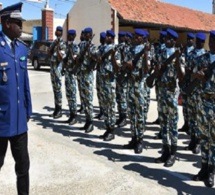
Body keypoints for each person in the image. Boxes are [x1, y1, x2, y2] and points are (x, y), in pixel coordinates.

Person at [0, 2, 32, 195]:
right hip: (1, 120)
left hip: (20, 120)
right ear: (5, 24)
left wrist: (28, 109)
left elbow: (25, 82)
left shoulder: (21, 48)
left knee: (23, 167)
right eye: (17, 23)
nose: (21, 27)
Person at [154, 28, 185, 167]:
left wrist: (177, 59)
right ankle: (165, 150)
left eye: (170, 39)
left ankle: (173, 152)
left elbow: (181, 76)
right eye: (166, 38)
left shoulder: (179, 55)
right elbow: (155, 69)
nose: (167, 40)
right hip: (161, 91)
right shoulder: (160, 52)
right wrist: (157, 68)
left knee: (172, 123)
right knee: (163, 122)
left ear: (175, 41)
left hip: (172, 93)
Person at [192, 30, 215, 188]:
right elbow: (191, 74)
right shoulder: (202, 58)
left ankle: (212, 171)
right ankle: (204, 168)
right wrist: (197, 75)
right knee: (204, 138)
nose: (212, 43)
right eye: (211, 40)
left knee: (213, 140)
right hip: (202, 103)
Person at [123, 29, 149, 154]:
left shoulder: (147, 51)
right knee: (131, 113)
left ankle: (140, 140)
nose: (135, 38)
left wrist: (145, 55)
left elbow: (146, 69)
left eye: (138, 36)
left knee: (139, 114)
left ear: (143, 38)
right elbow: (124, 65)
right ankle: (133, 138)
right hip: (130, 84)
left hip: (140, 86)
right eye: (134, 36)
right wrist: (127, 66)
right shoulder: (129, 49)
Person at [183, 32, 206, 154]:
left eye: (200, 42)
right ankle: (192, 140)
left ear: (203, 43)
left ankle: (198, 143)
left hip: (201, 92)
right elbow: (187, 71)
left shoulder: (206, 55)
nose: (198, 43)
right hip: (191, 89)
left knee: (199, 119)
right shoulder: (191, 54)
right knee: (191, 116)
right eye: (197, 41)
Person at [98, 30, 120, 141]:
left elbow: (117, 67)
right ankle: (107, 128)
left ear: (111, 38)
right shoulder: (103, 48)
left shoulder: (116, 50)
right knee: (105, 106)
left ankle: (111, 130)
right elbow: (97, 58)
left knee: (111, 107)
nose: (106, 37)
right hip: (102, 81)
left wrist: (111, 56)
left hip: (110, 81)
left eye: (108, 36)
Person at [78, 27, 97, 133]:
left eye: (87, 34)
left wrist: (89, 52)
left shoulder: (93, 46)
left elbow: (95, 59)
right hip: (81, 74)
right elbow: (77, 58)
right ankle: (86, 120)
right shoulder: (81, 45)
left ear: (91, 34)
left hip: (88, 76)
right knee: (83, 100)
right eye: (84, 34)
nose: (85, 35)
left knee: (88, 100)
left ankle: (90, 122)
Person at [62, 29, 80, 125]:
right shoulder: (67, 46)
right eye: (68, 35)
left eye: (71, 35)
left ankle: (74, 115)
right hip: (67, 73)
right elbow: (64, 58)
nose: (69, 36)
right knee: (68, 95)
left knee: (72, 95)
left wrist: (70, 51)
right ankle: (71, 114)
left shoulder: (76, 47)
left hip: (72, 73)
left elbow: (75, 60)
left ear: (74, 36)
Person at [179, 32, 195, 134]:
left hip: (192, 83)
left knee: (191, 106)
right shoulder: (183, 51)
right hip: (184, 82)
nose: (189, 40)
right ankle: (186, 124)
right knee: (184, 104)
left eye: (191, 39)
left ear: (193, 40)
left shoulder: (195, 52)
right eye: (188, 39)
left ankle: (192, 127)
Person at [49, 26, 66, 119]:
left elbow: (61, 57)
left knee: (58, 90)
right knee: (54, 90)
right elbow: (48, 53)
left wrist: (58, 47)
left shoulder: (63, 44)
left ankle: (60, 110)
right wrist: (53, 46)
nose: (57, 32)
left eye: (59, 31)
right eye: (56, 30)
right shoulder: (54, 42)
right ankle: (56, 108)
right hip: (52, 69)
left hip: (58, 70)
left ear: (61, 33)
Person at [94, 32, 106, 120]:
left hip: (105, 75)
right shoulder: (100, 48)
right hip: (99, 73)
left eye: (101, 38)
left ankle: (105, 112)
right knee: (99, 93)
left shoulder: (107, 49)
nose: (100, 40)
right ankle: (101, 111)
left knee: (104, 93)